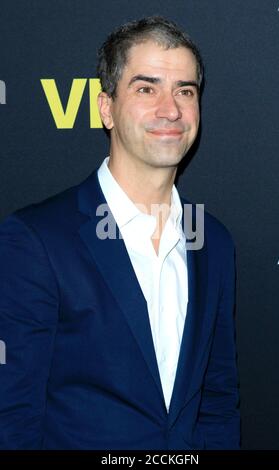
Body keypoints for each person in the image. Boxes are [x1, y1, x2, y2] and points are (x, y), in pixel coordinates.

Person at [0, 16, 240, 450]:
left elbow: (218, 403)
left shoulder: (214, 243)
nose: (171, 110)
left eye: (185, 91)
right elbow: (14, 415)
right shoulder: (37, 239)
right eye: (146, 89)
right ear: (105, 108)